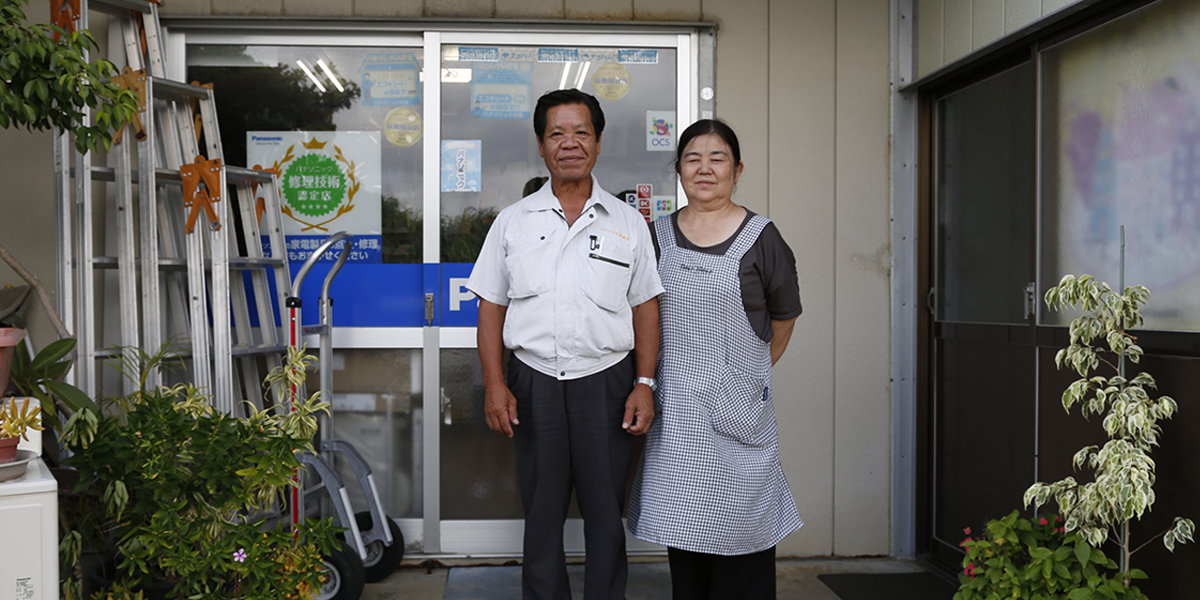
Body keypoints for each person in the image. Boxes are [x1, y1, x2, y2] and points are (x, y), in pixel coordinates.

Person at [467, 89, 663, 600]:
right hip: (534, 384)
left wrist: (644, 384)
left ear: (598, 143)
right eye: (557, 133)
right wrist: (495, 383)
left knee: (604, 516)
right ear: (540, 144)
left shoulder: (628, 224)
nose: (569, 143)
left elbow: (645, 306)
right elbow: (491, 305)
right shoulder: (513, 222)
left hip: (608, 385)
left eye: (581, 132)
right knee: (542, 515)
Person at [627, 119, 804, 600]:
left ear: (737, 169)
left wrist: (747, 376)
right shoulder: (654, 234)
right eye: (692, 159)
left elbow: (784, 318)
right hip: (678, 416)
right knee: (687, 548)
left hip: (736, 412)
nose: (705, 169)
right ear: (679, 170)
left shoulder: (762, 237)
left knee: (742, 542)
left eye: (717, 158)